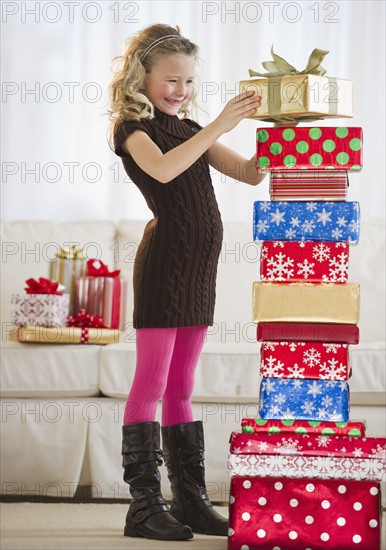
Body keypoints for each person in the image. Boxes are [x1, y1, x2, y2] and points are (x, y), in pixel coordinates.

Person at [108, 23, 265, 541]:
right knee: (150, 385)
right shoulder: (135, 130)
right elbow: (168, 171)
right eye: (171, 80)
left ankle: (191, 502)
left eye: (189, 81)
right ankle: (143, 507)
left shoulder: (191, 126)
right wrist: (220, 123)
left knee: (181, 388)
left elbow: (248, 173)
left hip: (200, 271)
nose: (181, 90)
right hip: (164, 270)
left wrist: (285, 130)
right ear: (142, 77)